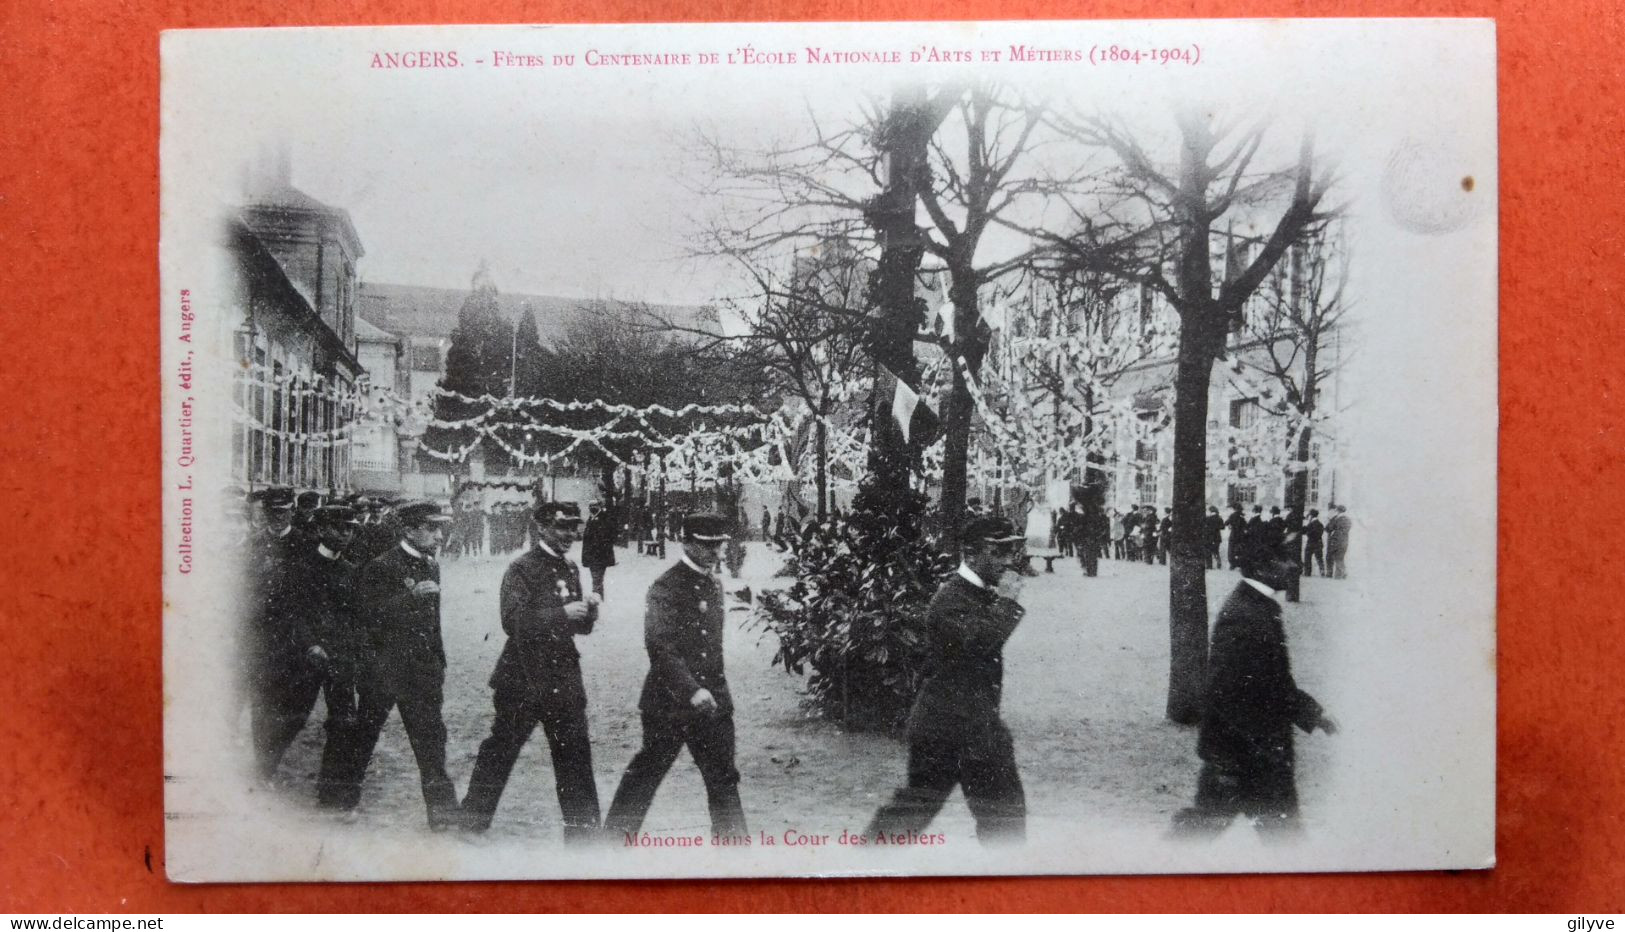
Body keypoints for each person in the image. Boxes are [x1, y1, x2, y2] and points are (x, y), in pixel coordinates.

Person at [867, 515, 1030, 845]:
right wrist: (1009, 601)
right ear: (971, 554)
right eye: (996, 552)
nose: (1007, 561)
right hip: (945, 731)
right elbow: (982, 643)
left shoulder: (979, 594)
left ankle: (1005, 888)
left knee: (1004, 817)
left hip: (975, 727)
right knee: (914, 811)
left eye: (1009, 552)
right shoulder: (950, 600)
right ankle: (852, 873)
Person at [1171, 539, 1338, 840]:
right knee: (1204, 835)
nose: (1293, 565)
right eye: (1285, 559)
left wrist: (1314, 715)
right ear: (1262, 568)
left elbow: (1272, 682)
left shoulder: (1258, 607)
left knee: (1211, 832)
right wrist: (1227, 763)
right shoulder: (1245, 615)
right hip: (1246, 758)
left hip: (1255, 755)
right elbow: (1224, 692)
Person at [461, 502, 603, 840]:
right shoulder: (521, 568)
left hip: (563, 677)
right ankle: (470, 823)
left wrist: (588, 614)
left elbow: (579, 628)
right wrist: (562, 614)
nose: (570, 534)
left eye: (574, 526)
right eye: (562, 526)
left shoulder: (570, 567)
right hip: (522, 677)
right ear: (540, 527)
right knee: (501, 750)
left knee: (575, 755)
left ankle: (584, 835)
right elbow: (513, 621)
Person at [604, 513, 748, 840]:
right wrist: (691, 690)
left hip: (712, 702)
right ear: (687, 543)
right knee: (646, 774)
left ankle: (736, 857)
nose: (716, 552)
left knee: (724, 779)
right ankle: (609, 846)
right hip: (669, 703)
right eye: (707, 545)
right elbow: (660, 646)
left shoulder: (714, 583)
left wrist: (713, 694)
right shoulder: (665, 587)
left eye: (720, 545)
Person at [319, 501, 460, 829]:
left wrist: (438, 661)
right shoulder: (381, 566)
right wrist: (408, 599)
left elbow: (432, 622)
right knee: (365, 735)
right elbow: (368, 616)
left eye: (440, 528)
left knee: (430, 739)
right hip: (384, 670)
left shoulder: (431, 565)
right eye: (432, 528)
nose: (439, 536)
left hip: (422, 670)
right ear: (410, 530)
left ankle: (442, 814)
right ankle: (343, 801)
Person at [581, 501, 617, 599]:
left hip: (600, 556)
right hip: (592, 557)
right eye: (590, 506)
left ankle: (598, 602)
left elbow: (608, 537)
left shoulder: (605, 519)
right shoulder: (591, 519)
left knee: (597, 581)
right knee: (597, 580)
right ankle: (599, 601)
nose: (592, 507)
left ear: (599, 507)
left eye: (594, 506)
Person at [1325, 505, 1352, 579]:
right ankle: (1338, 575)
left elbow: (1328, 528)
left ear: (1338, 510)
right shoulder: (1348, 519)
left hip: (1335, 540)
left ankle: (1337, 573)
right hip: (1345, 541)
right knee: (1340, 557)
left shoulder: (1336, 518)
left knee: (1331, 556)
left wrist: (1329, 520)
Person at [1302, 509, 1326, 576]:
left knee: (1307, 558)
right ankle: (1322, 571)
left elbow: (1310, 532)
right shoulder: (1319, 523)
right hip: (1318, 543)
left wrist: (1307, 532)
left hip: (1311, 543)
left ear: (1311, 516)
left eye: (1309, 515)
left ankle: (1307, 572)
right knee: (1319, 558)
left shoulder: (1312, 523)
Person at [1225, 505, 1249, 570]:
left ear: (1235, 509)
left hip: (1233, 535)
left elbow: (1226, 523)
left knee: (1231, 550)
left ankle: (1232, 565)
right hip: (1241, 535)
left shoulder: (1232, 515)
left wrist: (1231, 525)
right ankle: (1240, 564)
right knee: (1240, 550)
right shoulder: (1242, 516)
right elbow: (1246, 526)